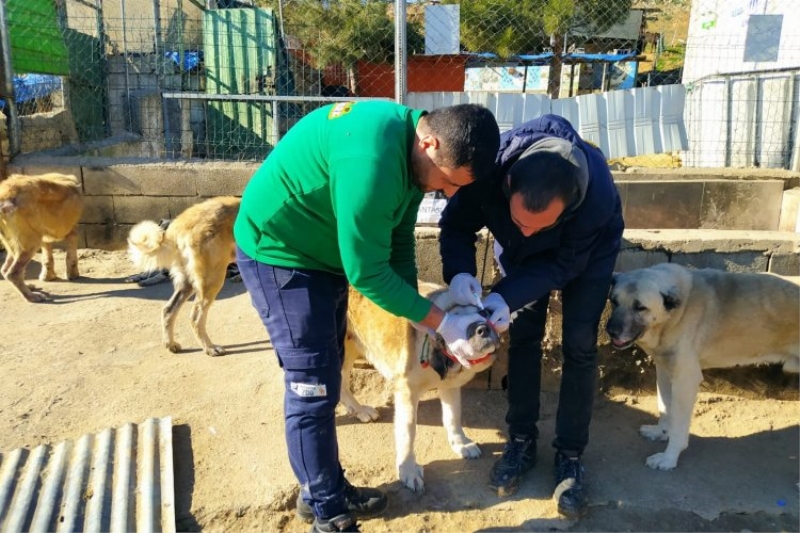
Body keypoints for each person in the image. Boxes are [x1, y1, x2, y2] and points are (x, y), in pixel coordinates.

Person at [233, 101, 501, 533]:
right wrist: (438, 320)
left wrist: (414, 313)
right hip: (279, 252)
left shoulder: (413, 154)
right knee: (314, 384)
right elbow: (368, 272)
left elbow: (397, 247)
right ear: (429, 143)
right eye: (450, 181)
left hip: (325, 253)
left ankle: (324, 489)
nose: (449, 194)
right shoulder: (372, 164)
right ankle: (328, 512)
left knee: (321, 375)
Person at [438, 114, 624, 518]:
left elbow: (563, 266)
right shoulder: (490, 170)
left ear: (568, 206)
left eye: (536, 225)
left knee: (578, 344)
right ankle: (520, 440)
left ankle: (570, 456)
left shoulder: (595, 200)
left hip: (585, 254)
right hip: (525, 257)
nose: (525, 231)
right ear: (508, 187)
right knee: (522, 334)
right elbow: (455, 225)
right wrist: (460, 274)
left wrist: (505, 294)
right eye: (519, 220)